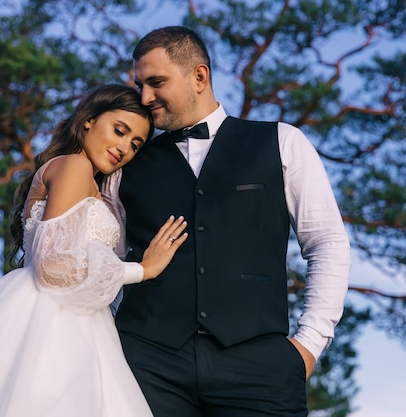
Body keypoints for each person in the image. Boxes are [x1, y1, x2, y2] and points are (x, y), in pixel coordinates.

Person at [101, 26, 352, 416]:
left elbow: (327, 243)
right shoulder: (126, 164)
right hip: (147, 365)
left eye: (156, 82)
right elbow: (106, 262)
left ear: (199, 77)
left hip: (260, 367)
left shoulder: (283, 142)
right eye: (140, 85)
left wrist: (308, 346)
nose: (144, 97)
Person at [0, 84, 188, 417]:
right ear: (89, 121)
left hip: (74, 316)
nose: (124, 147)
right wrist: (142, 270)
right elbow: (52, 266)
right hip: (52, 319)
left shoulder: (87, 178)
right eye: (119, 131)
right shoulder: (74, 167)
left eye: (135, 144)